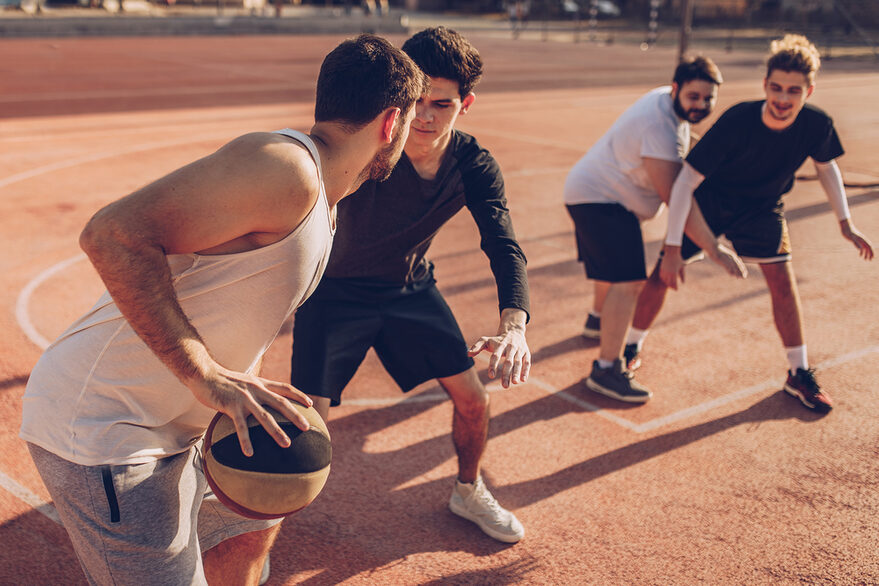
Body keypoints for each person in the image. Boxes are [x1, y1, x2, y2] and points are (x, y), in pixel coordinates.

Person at [19, 34, 424, 586]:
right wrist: (205, 374)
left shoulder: (326, 198)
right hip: (104, 431)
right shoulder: (288, 168)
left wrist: (240, 382)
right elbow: (111, 235)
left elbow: (225, 299)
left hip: (182, 426)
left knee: (252, 528)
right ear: (391, 122)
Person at [290, 27, 530, 544]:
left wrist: (515, 325)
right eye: (416, 100)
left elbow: (503, 244)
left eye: (441, 104)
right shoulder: (369, 146)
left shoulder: (473, 166)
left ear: (465, 104)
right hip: (333, 295)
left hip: (408, 289)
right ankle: (253, 524)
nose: (424, 116)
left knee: (474, 398)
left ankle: (467, 490)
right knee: (306, 432)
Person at [633, 34, 874, 413]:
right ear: (765, 85)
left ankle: (798, 373)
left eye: (793, 91)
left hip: (762, 208)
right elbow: (685, 183)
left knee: (783, 282)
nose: (782, 98)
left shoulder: (816, 125)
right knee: (662, 273)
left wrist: (845, 223)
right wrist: (675, 247)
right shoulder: (737, 121)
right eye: (776, 88)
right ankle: (631, 345)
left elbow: (827, 168)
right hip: (711, 201)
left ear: (808, 91)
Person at [564, 56, 747, 403]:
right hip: (601, 199)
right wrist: (713, 248)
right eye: (694, 97)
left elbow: (682, 149)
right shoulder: (658, 126)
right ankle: (605, 370)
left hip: (591, 192)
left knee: (613, 268)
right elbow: (677, 199)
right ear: (676, 88)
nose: (701, 105)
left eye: (709, 99)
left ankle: (596, 320)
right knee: (628, 281)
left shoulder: (666, 101)